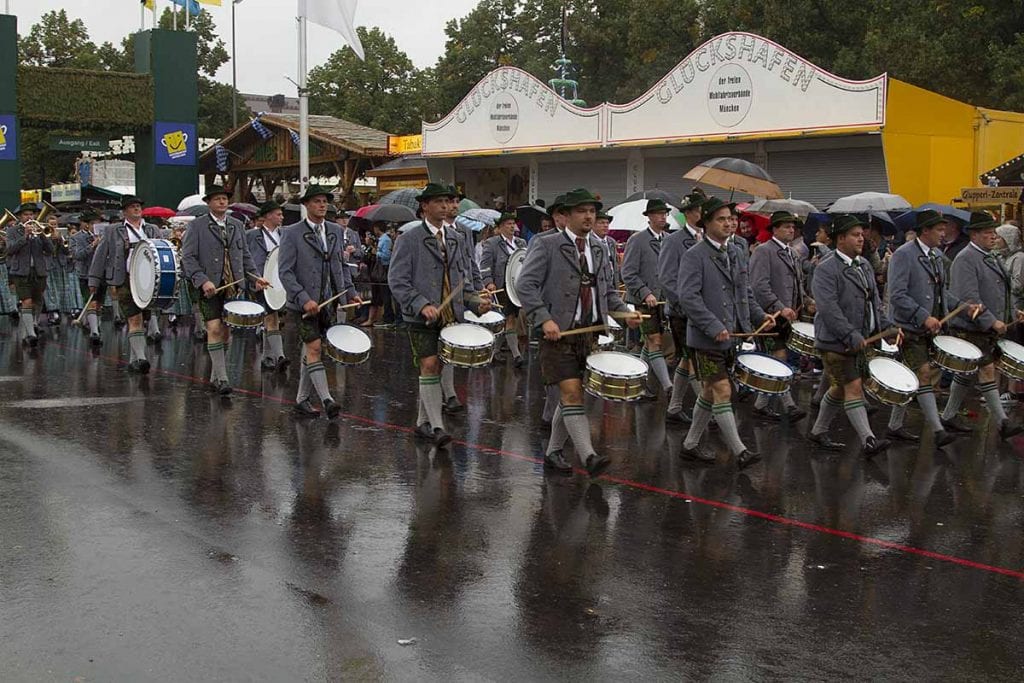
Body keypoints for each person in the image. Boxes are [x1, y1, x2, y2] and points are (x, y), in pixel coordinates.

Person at [516, 188, 639, 475]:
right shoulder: (546, 245)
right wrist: (544, 319)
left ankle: (553, 451)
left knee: (572, 395)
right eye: (582, 211)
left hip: (589, 333)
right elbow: (526, 286)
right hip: (557, 335)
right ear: (566, 216)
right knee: (571, 393)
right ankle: (588, 456)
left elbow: (606, 293)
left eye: (592, 211)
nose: (588, 216)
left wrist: (625, 314)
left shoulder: (599, 248)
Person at [388, 183, 489, 446]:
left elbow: (462, 282)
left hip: (451, 315)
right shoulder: (408, 239)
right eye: (440, 202)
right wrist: (421, 304)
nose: (446, 206)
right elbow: (397, 280)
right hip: (420, 317)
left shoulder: (457, 238)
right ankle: (437, 426)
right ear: (425, 206)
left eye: (448, 201)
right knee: (429, 364)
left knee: (437, 367)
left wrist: (477, 303)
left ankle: (422, 422)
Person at [677, 197, 772, 469]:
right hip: (706, 338)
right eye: (721, 219)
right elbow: (688, 297)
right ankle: (740, 451)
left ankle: (690, 445)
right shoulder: (694, 255)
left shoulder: (738, 251)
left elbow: (745, 292)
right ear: (705, 223)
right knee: (722, 390)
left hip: (733, 336)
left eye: (731, 218)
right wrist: (713, 326)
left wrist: (759, 315)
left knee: (708, 392)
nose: (729, 223)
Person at [885, 209, 977, 448]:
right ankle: (937, 430)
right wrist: (924, 317)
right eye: (938, 229)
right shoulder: (903, 255)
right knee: (923, 374)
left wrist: (962, 306)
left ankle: (894, 426)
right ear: (924, 231)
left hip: (931, 328)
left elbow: (941, 292)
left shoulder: (936, 256)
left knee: (913, 376)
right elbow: (897, 295)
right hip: (909, 327)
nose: (943, 233)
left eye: (943, 229)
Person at [806, 214, 893, 457]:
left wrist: (886, 328)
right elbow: (829, 309)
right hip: (835, 342)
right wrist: (850, 334)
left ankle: (818, 430)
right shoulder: (825, 268)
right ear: (840, 239)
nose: (861, 239)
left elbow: (874, 302)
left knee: (839, 388)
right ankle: (869, 440)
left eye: (861, 234)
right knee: (853, 387)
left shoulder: (864, 265)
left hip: (860, 338)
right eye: (855, 235)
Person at [279, 185, 362, 418]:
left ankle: (302, 399)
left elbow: (341, 266)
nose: (323, 205)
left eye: (325, 201)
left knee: (314, 351)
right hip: (304, 305)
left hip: (330, 302)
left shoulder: (335, 230)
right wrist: (303, 298)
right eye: (316, 201)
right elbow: (285, 272)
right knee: (314, 348)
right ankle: (327, 400)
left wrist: (350, 292)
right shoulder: (292, 233)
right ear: (306, 205)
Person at [940, 212, 1024, 439]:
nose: (993, 236)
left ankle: (947, 417)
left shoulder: (991, 256)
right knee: (987, 369)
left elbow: (1000, 291)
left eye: (993, 232)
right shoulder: (966, 258)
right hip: (971, 326)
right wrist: (990, 320)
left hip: (987, 326)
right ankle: (1003, 423)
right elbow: (968, 298)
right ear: (974, 234)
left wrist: (1012, 312)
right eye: (987, 232)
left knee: (967, 374)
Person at [181, 185, 268, 395]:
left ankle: (216, 374)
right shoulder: (197, 226)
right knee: (213, 328)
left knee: (226, 331)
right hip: (210, 287)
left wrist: (256, 277)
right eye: (218, 199)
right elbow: (188, 257)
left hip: (234, 285)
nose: (222, 202)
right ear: (209, 203)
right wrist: (202, 280)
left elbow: (245, 254)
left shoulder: (237, 225)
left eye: (224, 198)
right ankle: (222, 378)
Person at [747, 211, 808, 421]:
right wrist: (779, 307)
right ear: (774, 229)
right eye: (786, 226)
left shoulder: (793, 253)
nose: (791, 230)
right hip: (770, 315)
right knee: (779, 356)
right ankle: (789, 405)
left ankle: (760, 405)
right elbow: (758, 285)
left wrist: (807, 301)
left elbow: (798, 284)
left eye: (793, 227)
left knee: (778, 358)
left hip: (790, 315)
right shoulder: (764, 251)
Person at [87, 196, 156, 371]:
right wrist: (94, 280)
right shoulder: (113, 230)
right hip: (124, 278)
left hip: (147, 281)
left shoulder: (153, 229)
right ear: (124, 212)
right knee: (134, 317)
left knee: (144, 318)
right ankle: (141, 358)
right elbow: (100, 255)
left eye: (138, 206)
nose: (136, 209)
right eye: (132, 207)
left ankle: (134, 360)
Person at [659, 191, 706, 425]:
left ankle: (675, 406)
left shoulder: (710, 240)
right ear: (688, 214)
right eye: (698, 210)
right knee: (694, 359)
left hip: (706, 314)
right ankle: (711, 410)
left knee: (687, 360)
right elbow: (667, 279)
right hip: (682, 313)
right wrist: (687, 306)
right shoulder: (673, 241)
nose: (702, 214)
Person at [622, 198, 673, 399]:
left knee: (648, 344)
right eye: (659, 213)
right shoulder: (637, 240)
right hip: (643, 301)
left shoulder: (668, 240)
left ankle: (641, 384)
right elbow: (628, 272)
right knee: (654, 340)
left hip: (663, 300)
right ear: (649, 217)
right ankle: (668, 386)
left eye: (665, 213)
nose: (663, 217)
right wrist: (646, 293)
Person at [440, 187, 485, 412]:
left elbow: (470, 263)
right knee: (436, 353)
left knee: (451, 347)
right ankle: (447, 395)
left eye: (457, 201)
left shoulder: (465, 231)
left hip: (461, 295)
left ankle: (447, 393)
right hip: (437, 298)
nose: (454, 206)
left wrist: (478, 290)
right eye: (449, 201)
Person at [244, 200, 288, 370]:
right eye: (278, 214)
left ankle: (267, 356)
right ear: (268, 216)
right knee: (271, 317)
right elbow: (246, 259)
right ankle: (280, 356)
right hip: (261, 281)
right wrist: (252, 280)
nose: (281, 217)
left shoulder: (285, 234)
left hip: (280, 282)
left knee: (273, 317)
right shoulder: (251, 236)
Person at [481, 213, 527, 367]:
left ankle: (493, 352)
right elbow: (485, 266)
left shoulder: (521, 243)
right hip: (501, 287)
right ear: (500, 227)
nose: (512, 226)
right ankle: (516, 355)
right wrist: (489, 282)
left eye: (513, 223)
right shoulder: (491, 243)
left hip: (516, 288)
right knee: (509, 319)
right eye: (508, 224)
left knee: (507, 320)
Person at [5, 202, 53, 346]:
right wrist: (25, 236)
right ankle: (31, 334)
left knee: (38, 301)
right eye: (26, 214)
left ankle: (32, 324)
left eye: (31, 214)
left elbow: (50, 250)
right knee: (26, 301)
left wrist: (43, 235)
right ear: (20, 217)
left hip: (39, 271)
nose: (29, 217)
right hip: (21, 272)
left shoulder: (40, 230)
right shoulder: (12, 231)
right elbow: (10, 250)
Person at [69, 210, 103, 344]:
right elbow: (77, 255)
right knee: (92, 302)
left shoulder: (105, 237)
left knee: (99, 303)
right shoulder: (76, 237)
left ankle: (92, 323)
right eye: (95, 223)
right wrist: (93, 245)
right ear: (87, 225)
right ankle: (94, 332)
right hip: (86, 273)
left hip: (102, 274)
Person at [592, 210, 620, 288]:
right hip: (598, 285)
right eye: (601, 223)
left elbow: (615, 264)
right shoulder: (589, 241)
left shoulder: (611, 242)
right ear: (593, 225)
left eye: (607, 223)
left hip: (612, 284)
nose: (605, 225)